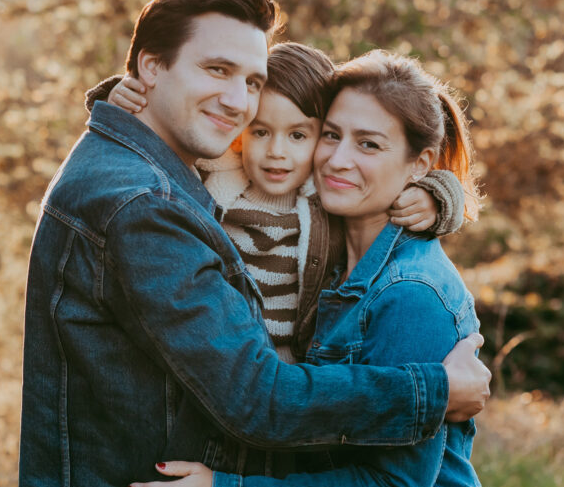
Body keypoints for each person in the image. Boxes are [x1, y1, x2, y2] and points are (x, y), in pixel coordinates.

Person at [20, 0, 492, 487]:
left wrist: (439, 193)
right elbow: (257, 397)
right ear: (151, 68)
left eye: (252, 81)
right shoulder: (145, 203)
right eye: (217, 70)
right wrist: (433, 391)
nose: (240, 102)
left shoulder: (153, 170)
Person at [126, 51, 525, 487]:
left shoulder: (410, 292)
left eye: (369, 144)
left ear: (420, 165)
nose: (337, 159)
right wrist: (129, 93)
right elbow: (235, 102)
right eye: (331, 135)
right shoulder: (325, 251)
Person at [86, 41, 467, 362]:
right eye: (333, 136)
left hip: (279, 376)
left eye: (299, 136)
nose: (277, 152)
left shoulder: (325, 198)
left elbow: (410, 178)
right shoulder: (225, 170)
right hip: (217, 358)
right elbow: (172, 129)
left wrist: (439, 195)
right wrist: (125, 94)